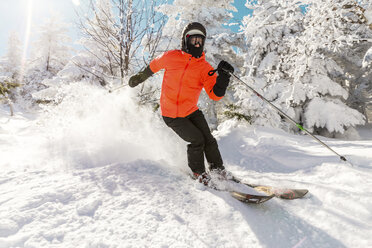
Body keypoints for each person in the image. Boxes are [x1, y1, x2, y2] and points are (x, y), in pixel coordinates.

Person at [128, 22, 234, 185]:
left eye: (200, 41)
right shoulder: (171, 57)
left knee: (209, 140)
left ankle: (218, 171)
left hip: (191, 110)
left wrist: (223, 77)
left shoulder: (204, 68)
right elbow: (153, 66)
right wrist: (139, 78)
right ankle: (199, 173)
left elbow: (215, 95)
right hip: (172, 114)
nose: (197, 44)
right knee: (197, 140)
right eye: (194, 40)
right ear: (186, 40)